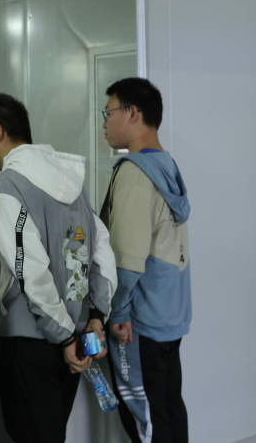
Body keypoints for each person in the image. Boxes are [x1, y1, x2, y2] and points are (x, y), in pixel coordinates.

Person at [0, 93, 118, 443]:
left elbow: (29, 271)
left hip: (32, 341)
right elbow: (101, 251)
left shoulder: (8, 185)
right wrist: (96, 317)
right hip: (75, 337)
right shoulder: (73, 183)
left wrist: (63, 335)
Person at [100, 77, 191, 443]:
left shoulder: (135, 173)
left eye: (108, 113)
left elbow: (127, 259)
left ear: (132, 113)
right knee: (168, 405)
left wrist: (118, 313)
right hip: (169, 315)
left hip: (139, 323)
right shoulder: (167, 165)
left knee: (146, 420)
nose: (104, 123)